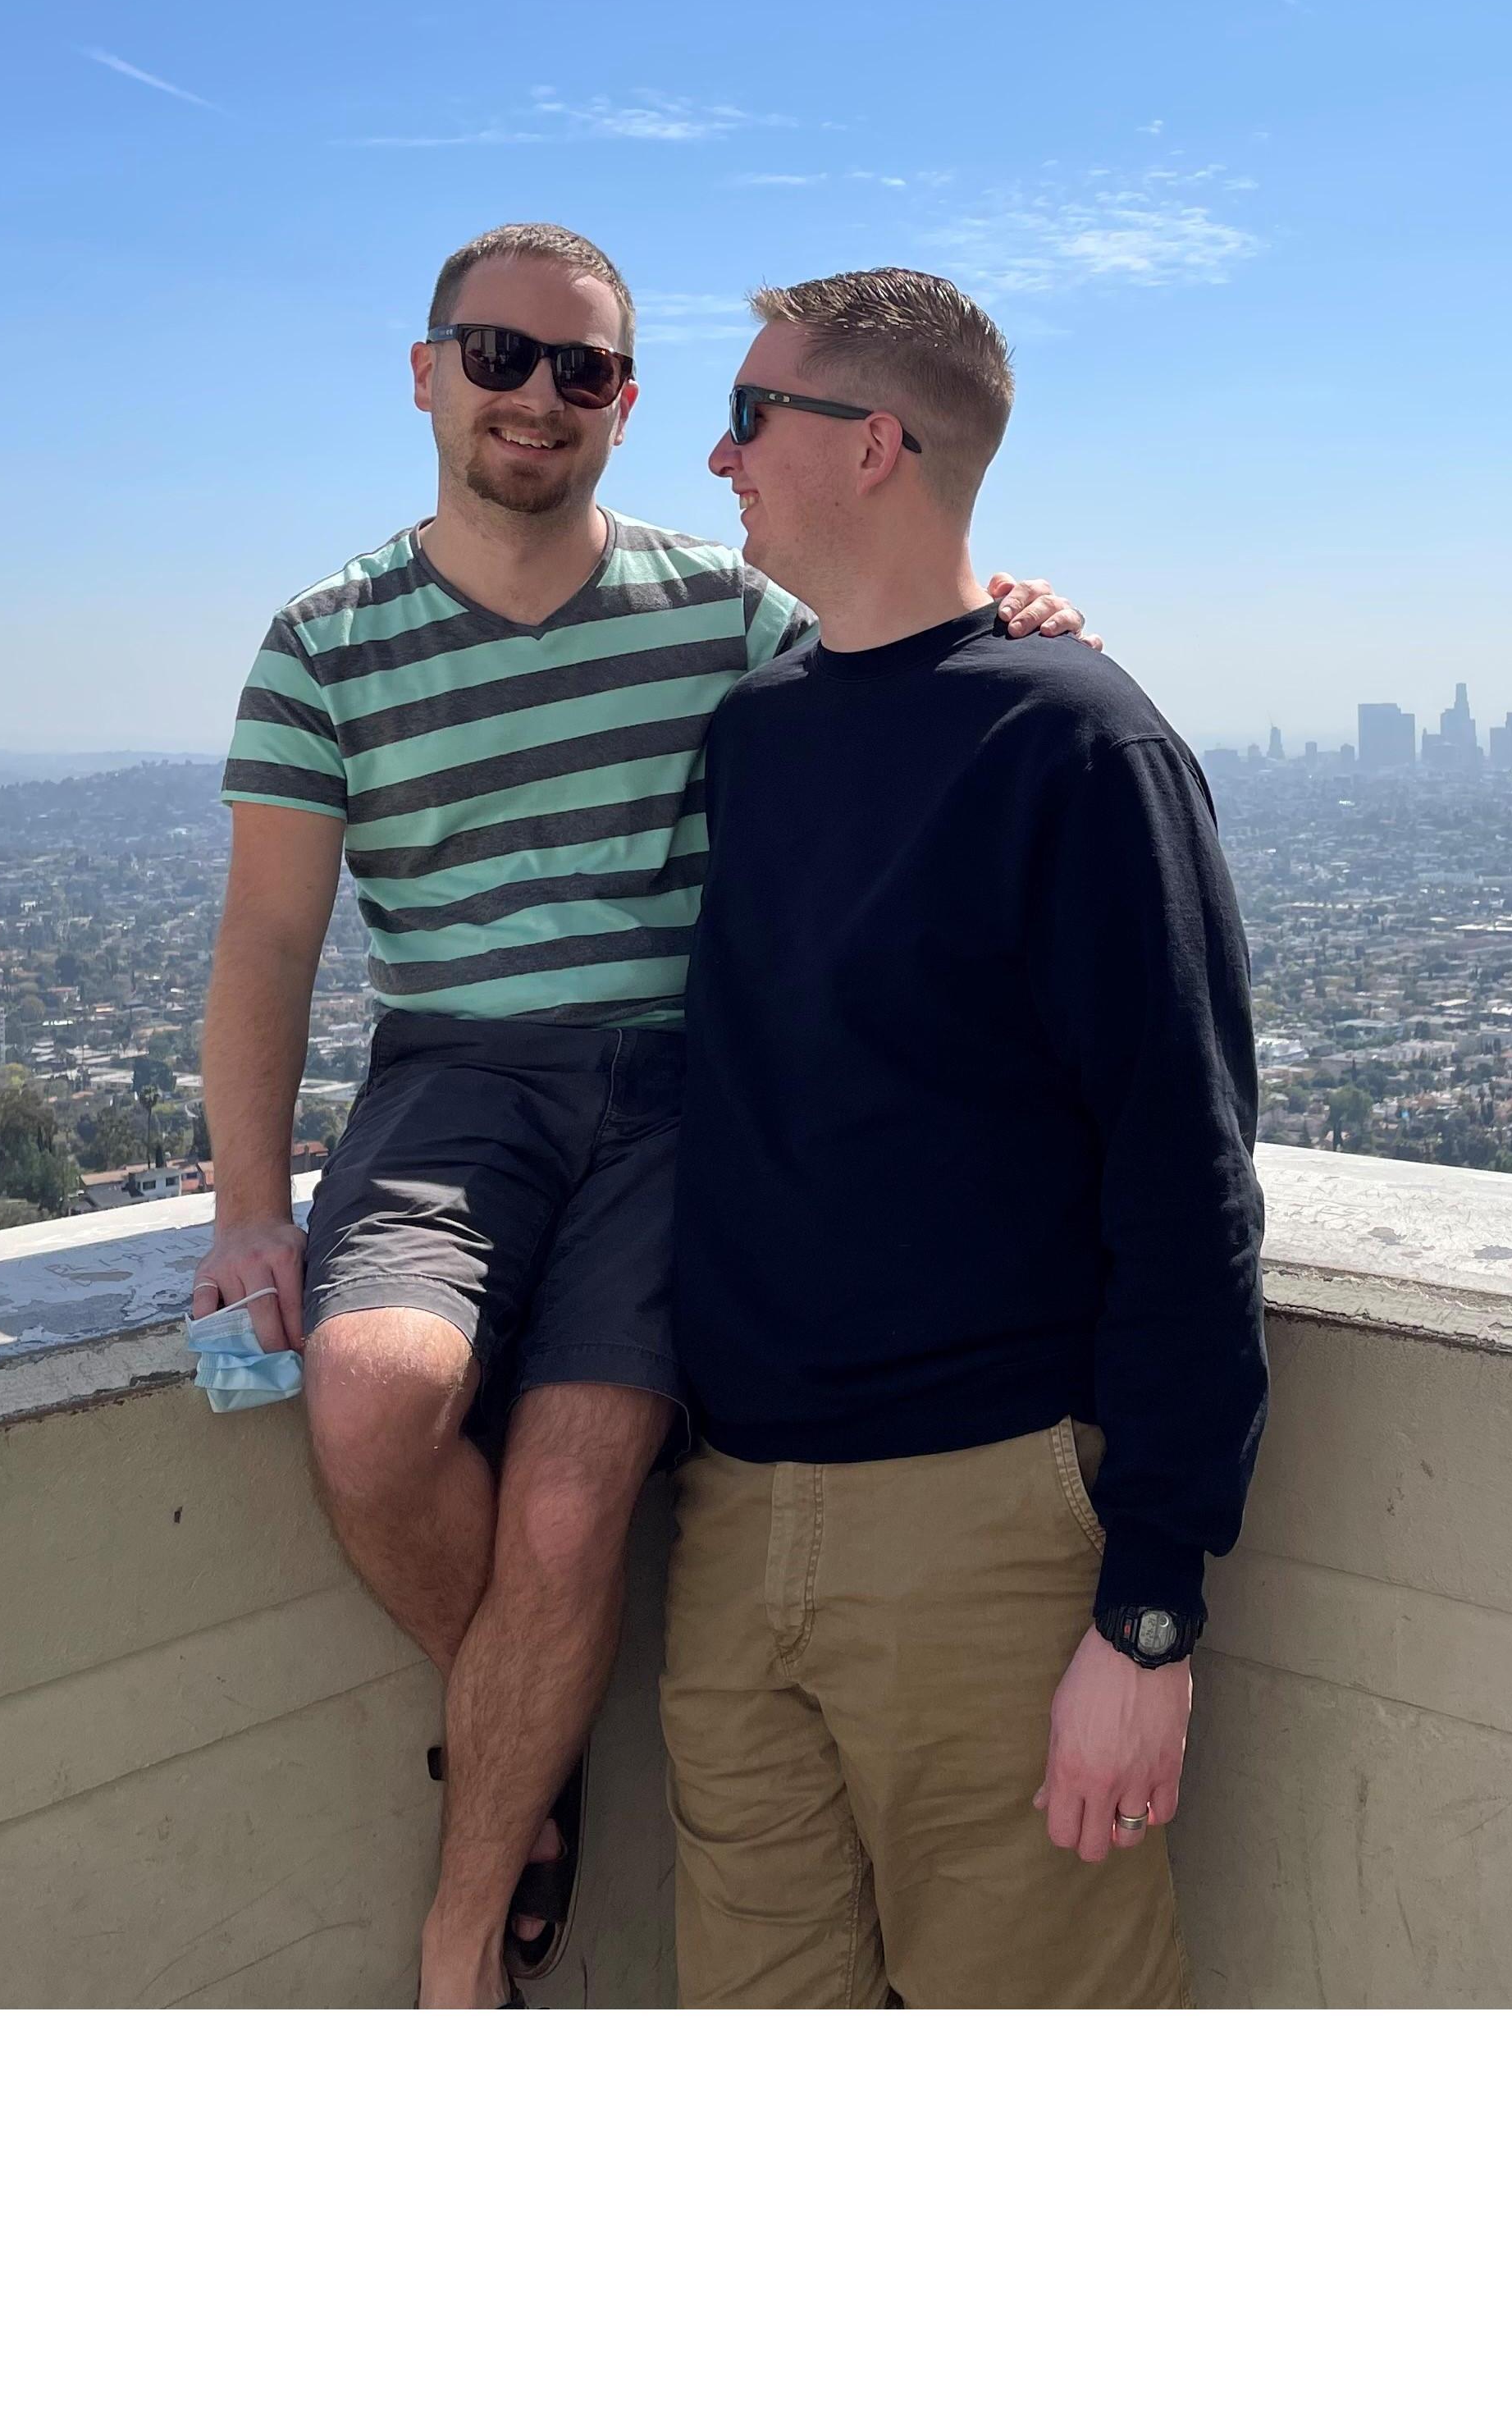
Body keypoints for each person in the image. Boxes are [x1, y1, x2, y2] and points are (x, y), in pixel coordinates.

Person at [194, 223, 1088, 2009]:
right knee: (372, 1408)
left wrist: (1020, 612)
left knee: (571, 1504)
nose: (539, 397)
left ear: (623, 402)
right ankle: (528, 1752)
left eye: (582, 369)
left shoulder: (723, 609)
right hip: (451, 1079)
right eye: (501, 355)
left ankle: (465, 1929)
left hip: (680, 1098)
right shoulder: (325, 643)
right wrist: (244, 1206)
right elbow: (271, 939)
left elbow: (900, 630)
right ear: (427, 368)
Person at [665, 267, 1266, 2007]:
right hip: (728, 1523)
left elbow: (1188, 1184)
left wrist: (1148, 1614)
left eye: (751, 415)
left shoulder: (1076, 746)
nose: (717, 456)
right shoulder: (756, 741)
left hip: (985, 1541)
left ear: (873, 446)